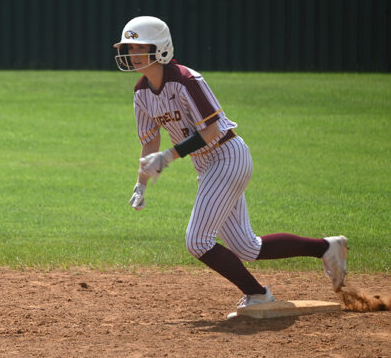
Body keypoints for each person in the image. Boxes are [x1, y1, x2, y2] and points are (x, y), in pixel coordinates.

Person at [113, 16, 348, 309]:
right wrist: (141, 184)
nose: (132, 55)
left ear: (160, 48)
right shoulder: (141, 92)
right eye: (128, 48)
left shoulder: (187, 80)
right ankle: (327, 248)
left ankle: (259, 295)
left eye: (138, 47)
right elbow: (149, 142)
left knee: (197, 242)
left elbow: (211, 131)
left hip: (228, 156)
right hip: (207, 165)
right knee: (247, 246)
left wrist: (170, 156)